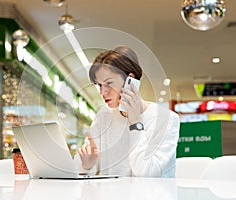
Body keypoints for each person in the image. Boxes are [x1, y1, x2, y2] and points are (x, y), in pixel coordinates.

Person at [77, 46, 180, 177]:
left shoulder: (166, 119)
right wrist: (87, 166)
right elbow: (84, 169)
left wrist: (135, 123)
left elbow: (147, 174)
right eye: (100, 85)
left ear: (130, 80)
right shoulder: (104, 115)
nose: (103, 92)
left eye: (109, 83)